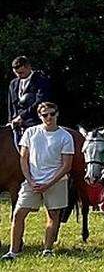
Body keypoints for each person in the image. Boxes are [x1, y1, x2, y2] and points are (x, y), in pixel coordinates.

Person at [2, 102, 74, 260]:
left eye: (52, 114)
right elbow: (23, 158)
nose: (49, 117)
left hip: (56, 181)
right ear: (40, 116)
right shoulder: (30, 132)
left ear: (57, 114)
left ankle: (47, 249)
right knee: (19, 214)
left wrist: (49, 183)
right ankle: (13, 251)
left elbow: (66, 165)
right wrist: (30, 180)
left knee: (53, 215)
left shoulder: (65, 136)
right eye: (45, 115)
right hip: (32, 181)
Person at [7, 56, 53, 138]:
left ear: (28, 67)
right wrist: (11, 120)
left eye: (21, 73)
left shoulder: (41, 80)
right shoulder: (13, 84)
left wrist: (22, 117)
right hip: (17, 125)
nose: (19, 76)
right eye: (16, 73)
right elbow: (11, 105)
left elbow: (40, 102)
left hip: (35, 122)